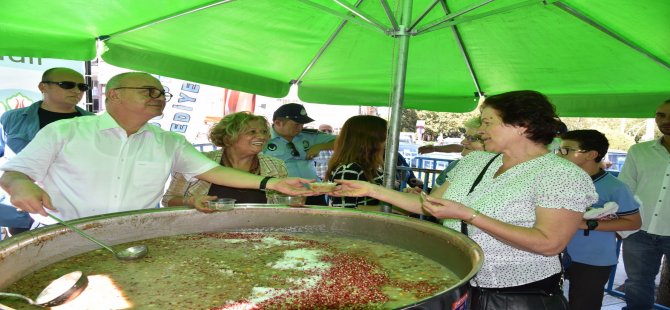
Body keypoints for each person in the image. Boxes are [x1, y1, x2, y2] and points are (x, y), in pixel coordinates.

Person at [334, 90, 597, 310]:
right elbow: (428, 205)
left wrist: (471, 215)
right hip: (462, 283)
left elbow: (550, 243)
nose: (481, 130)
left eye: (488, 122)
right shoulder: (476, 162)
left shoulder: (561, 175)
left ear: (522, 125)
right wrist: (370, 189)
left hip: (519, 295)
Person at [0, 72, 312, 223]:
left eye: (162, 93)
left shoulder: (168, 141)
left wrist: (273, 183)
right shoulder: (65, 131)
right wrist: (22, 186)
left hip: (138, 234)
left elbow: (215, 171)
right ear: (115, 95)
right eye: (149, 91)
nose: (159, 97)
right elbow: (14, 173)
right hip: (67, 235)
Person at [0, 67, 93, 236]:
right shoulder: (12, 118)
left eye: (82, 87)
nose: (76, 91)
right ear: (43, 87)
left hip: (70, 208)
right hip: (23, 205)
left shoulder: (93, 123)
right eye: (67, 85)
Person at [557, 129, 641, 310]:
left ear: (592, 154)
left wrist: (587, 223)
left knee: (583, 304)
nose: (559, 154)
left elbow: (633, 222)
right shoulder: (558, 181)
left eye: (566, 150)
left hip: (592, 259)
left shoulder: (615, 187)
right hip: (554, 252)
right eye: (559, 149)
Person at [162, 112, 288, 211]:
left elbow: (282, 205)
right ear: (229, 136)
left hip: (258, 235)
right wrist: (190, 201)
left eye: (264, 132)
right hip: (204, 233)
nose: (262, 137)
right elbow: (169, 200)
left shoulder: (276, 165)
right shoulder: (199, 161)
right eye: (252, 132)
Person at [618, 99, 670, 310]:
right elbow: (625, 189)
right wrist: (621, 225)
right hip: (640, 230)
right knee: (638, 285)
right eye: (661, 115)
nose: (665, 121)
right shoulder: (639, 151)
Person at [264, 103, 335, 205]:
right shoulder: (263, 139)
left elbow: (345, 140)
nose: (301, 128)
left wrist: (320, 146)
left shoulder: (309, 136)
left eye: (302, 124)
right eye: (297, 124)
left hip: (313, 193)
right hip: (282, 194)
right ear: (278, 123)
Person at [327, 115, 386, 209]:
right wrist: (391, 209)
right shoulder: (348, 170)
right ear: (371, 141)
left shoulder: (370, 166)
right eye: (384, 138)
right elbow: (344, 212)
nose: (386, 142)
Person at [434, 117, 485, 187]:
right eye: (466, 136)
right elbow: (433, 195)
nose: (463, 142)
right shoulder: (456, 166)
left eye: (472, 138)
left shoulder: (499, 174)